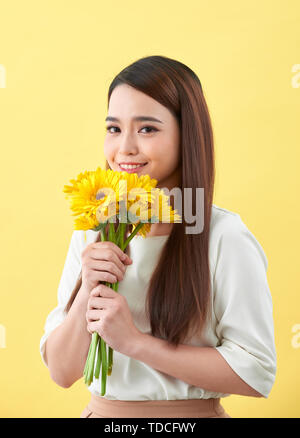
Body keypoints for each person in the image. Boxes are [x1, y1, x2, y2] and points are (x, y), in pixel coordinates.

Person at [39, 55, 277, 418]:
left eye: (147, 129)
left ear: (187, 135)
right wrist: (87, 289)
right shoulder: (94, 232)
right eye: (114, 129)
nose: (125, 149)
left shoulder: (223, 236)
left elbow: (256, 373)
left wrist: (135, 343)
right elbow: (61, 372)